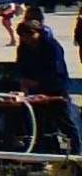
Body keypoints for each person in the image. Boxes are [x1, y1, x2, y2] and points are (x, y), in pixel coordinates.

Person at [11, 13, 82, 153]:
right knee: (40, 124)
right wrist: (22, 81)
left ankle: (77, 152)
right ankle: (46, 153)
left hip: (56, 90)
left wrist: (37, 82)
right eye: (23, 37)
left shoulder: (52, 46)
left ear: (36, 33)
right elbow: (20, 67)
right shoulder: (24, 48)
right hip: (35, 93)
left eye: (28, 36)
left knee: (66, 123)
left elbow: (57, 71)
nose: (26, 40)